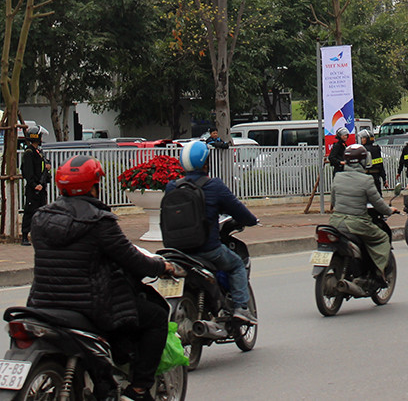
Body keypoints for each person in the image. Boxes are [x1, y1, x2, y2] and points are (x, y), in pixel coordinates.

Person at [29, 155, 176, 401]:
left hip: (42, 303)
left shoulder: (40, 218)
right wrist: (161, 266)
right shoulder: (99, 221)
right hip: (91, 306)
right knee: (157, 317)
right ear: (94, 186)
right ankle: (138, 389)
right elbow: (132, 259)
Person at [165, 140, 259, 323]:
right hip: (208, 250)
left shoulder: (172, 187)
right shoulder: (214, 186)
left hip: (176, 251)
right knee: (237, 265)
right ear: (206, 163)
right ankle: (241, 307)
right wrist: (251, 221)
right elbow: (238, 210)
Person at [328, 144, 399, 283]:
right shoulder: (366, 180)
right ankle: (379, 271)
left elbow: (334, 201)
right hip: (356, 223)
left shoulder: (338, 177)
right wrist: (390, 210)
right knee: (382, 237)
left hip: (335, 222)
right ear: (363, 161)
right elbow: (378, 203)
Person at [20, 125, 49, 246]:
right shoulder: (29, 153)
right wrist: (34, 185)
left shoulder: (39, 152)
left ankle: (41, 235)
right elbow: (28, 171)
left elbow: (43, 167)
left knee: (42, 212)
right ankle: (25, 236)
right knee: (29, 212)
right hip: (33, 189)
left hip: (41, 187)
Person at [358, 128, 387, 194]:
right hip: (375, 176)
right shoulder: (376, 148)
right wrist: (384, 178)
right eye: (362, 138)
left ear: (367, 139)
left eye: (363, 138)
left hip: (365, 176)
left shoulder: (362, 149)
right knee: (378, 195)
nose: (362, 140)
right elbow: (380, 164)